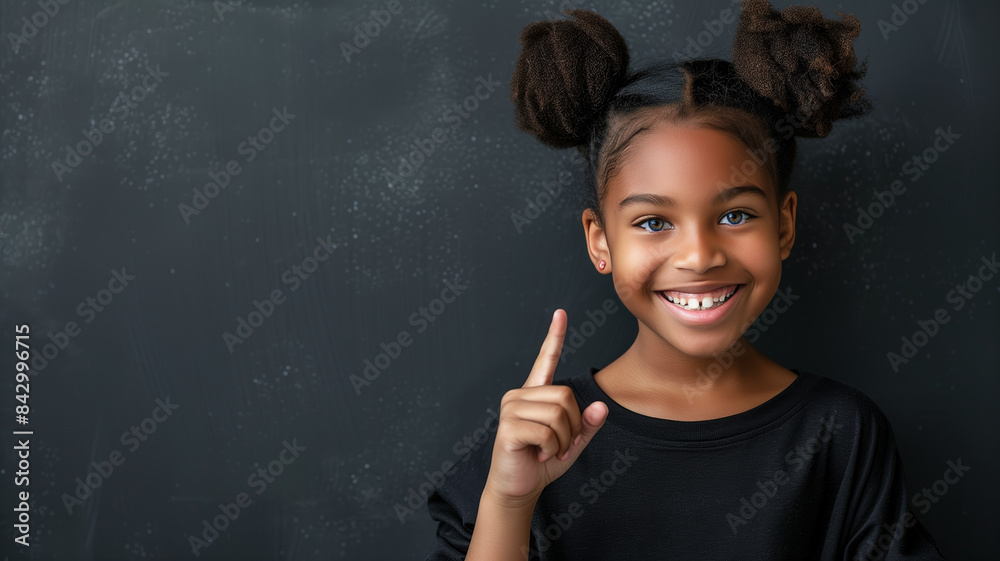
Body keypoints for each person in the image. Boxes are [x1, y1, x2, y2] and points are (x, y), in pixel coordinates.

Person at [424, 1, 948, 559]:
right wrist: (508, 500)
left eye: (735, 215)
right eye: (653, 223)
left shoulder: (842, 432)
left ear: (785, 226)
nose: (699, 256)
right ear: (601, 242)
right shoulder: (536, 435)